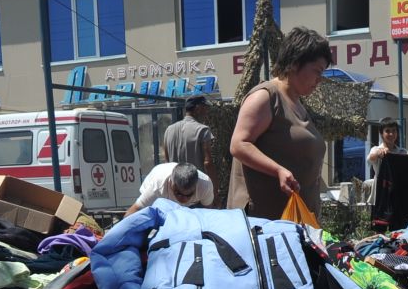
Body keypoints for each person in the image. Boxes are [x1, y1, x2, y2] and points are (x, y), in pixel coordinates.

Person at [229, 26, 330, 221]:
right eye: (317, 71)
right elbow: (239, 144)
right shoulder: (265, 96)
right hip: (266, 225)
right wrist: (278, 170)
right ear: (294, 63)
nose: (320, 80)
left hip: (297, 221)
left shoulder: (298, 102)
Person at [130, 160, 214, 210]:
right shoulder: (158, 187)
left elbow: (207, 213)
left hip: (191, 206)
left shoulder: (205, 186)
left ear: (196, 187)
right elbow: (135, 210)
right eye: (178, 193)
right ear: (171, 183)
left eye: (189, 195)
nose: (183, 199)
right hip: (159, 197)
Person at [162, 93, 215, 171]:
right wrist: (214, 183)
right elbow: (208, 162)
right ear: (198, 109)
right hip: (195, 182)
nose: (206, 112)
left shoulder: (169, 130)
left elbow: (166, 161)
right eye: (205, 108)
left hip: (174, 181)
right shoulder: (203, 130)